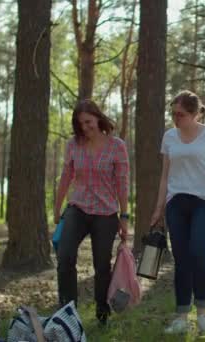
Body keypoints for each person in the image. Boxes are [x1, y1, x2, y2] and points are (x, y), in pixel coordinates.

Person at [150, 90, 205, 334]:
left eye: (181, 114)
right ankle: (182, 316)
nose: (176, 118)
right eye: (173, 113)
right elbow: (165, 175)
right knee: (181, 259)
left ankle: (203, 315)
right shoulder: (169, 137)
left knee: (198, 252)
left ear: (196, 114)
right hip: (177, 202)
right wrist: (158, 208)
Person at [54, 99, 129, 326]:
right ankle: (68, 313)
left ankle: (102, 313)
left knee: (102, 265)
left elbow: (122, 183)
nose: (85, 127)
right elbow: (66, 176)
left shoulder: (117, 146)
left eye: (88, 122)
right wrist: (57, 209)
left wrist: (124, 217)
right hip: (78, 208)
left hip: (105, 213)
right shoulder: (73, 144)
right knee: (65, 257)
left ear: (98, 117)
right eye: (80, 124)